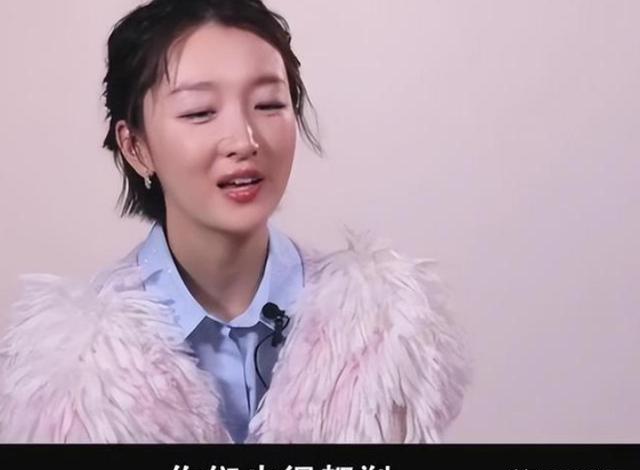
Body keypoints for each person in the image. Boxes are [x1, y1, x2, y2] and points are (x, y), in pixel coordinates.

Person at [0, 0, 469, 444]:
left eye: (268, 104)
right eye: (200, 112)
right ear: (135, 147)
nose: (244, 140)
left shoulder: (385, 333)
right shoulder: (73, 375)